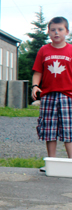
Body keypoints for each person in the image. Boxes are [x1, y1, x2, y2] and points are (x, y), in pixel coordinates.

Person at [31, 16, 72, 160]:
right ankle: (52, 161)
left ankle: (71, 161)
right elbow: (38, 72)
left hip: (68, 95)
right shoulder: (44, 50)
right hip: (48, 95)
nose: (56, 32)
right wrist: (35, 86)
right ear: (48, 32)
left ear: (67, 31)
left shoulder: (70, 50)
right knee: (49, 130)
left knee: (68, 130)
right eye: (53, 30)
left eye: (60, 29)